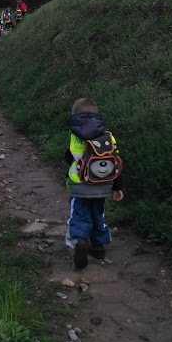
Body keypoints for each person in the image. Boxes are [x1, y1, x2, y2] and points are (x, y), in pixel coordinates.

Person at [65, 98, 124, 269]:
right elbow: (117, 162)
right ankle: (99, 247)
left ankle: (79, 240)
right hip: (103, 185)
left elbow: (68, 158)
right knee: (98, 215)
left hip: (79, 186)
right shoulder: (108, 137)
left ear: (75, 116)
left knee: (79, 214)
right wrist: (118, 187)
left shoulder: (75, 137)